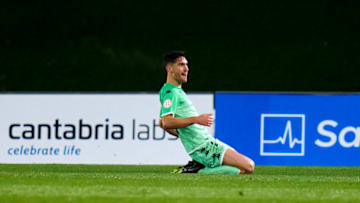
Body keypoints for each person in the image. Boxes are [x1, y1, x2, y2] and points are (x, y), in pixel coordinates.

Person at [159, 51, 255, 175]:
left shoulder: (172, 90)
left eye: (186, 65)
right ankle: (199, 170)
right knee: (248, 167)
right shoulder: (171, 93)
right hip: (203, 147)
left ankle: (199, 165)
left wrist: (185, 134)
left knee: (242, 165)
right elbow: (167, 122)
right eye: (181, 65)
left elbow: (161, 122)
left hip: (206, 143)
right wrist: (196, 119)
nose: (186, 69)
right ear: (169, 68)